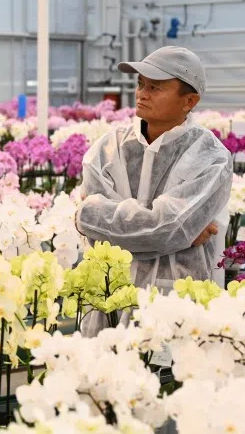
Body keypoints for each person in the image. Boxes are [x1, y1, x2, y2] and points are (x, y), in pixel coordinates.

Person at [75, 45, 233, 336]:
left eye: (155, 87)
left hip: (176, 306)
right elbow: (166, 230)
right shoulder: (108, 149)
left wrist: (101, 219)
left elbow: (166, 229)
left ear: (189, 101)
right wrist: (178, 234)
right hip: (108, 300)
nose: (141, 93)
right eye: (140, 84)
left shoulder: (211, 157)